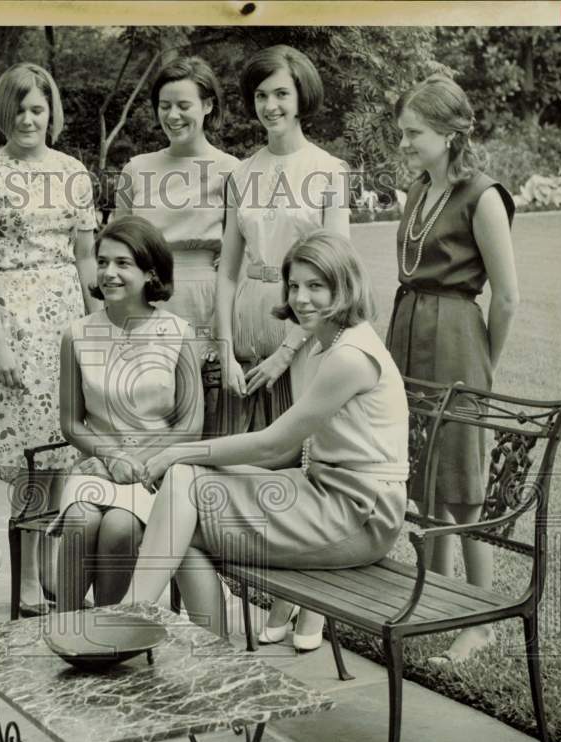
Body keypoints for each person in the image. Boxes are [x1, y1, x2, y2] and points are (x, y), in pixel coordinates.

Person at [121, 230, 408, 639]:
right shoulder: (325, 344)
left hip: (361, 513)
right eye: (293, 286)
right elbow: (280, 454)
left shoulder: (350, 357)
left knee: (181, 496)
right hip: (323, 493)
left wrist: (176, 453)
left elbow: (274, 443)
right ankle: (201, 651)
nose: (301, 298)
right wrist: (191, 461)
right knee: (182, 515)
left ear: (344, 287)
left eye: (316, 286)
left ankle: (130, 621)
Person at [215, 44, 352, 645]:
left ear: (301, 98)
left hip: (310, 322)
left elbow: (334, 273)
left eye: (281, 94)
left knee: (307, 462)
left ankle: (314, 603)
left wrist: (288, 350)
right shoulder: (241, 174)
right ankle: (275, 595)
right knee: (259, 466)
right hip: (249, 318)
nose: (270, 105)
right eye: (261, 94)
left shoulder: (328, 170)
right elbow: (226, 267)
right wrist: (224, 343)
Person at [386, 75, 518, 666]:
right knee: (422, 478)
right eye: (403, 132)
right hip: (409, 333)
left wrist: (481, 363)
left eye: (413, 133)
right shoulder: (419, 188)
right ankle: (432, 602)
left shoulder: (483, 196)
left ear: (448, 132)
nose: (404, 143)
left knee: (463, 485)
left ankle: (480, 619)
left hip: (458, 340)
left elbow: (508, 297)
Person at [0, 63, 99, 617]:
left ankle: (44, 576)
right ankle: (23, 584)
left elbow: (88, 257)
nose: (28, 119)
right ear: (3, 112)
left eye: (37, 108)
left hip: (66, 318)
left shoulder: (73, 173)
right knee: (30, 460)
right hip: (16, 322)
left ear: (51, 112)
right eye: (18, 108)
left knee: (63, 453)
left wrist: (99, 332)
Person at [50, 216, 203, 610]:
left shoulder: (178, 333)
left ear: (150, 272)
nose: (108, 273)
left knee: (119, 527)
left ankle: (109, 637)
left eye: (122, 263)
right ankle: (66, 628)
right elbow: (70, 422)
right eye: (102, 262)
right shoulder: (78, 335)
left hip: (157, 471)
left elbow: (191, 424)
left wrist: (138, 460)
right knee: (82, 521)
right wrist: (110, 455)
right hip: (98, 465)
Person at [114, 56, 239, 351]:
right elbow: (114, 248)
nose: (172, 116)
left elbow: (243, 248)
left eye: (184, 106)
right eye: (165, 105)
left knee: (202, 392)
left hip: (205, 300)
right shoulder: (135, 169)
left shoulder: (231, 169)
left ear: (208, 105)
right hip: (143, 296)